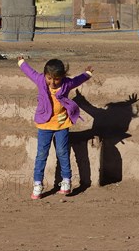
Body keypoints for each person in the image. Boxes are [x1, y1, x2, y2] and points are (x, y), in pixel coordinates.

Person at [17, 56, 94, 199]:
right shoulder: (40, 80)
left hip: (62, 124)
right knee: (41, 154)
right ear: (45, 75)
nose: (52, 82)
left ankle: (66, 181)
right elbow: (30, 72)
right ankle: (38, 184)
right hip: (44, 124)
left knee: (62, 152)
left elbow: (77, 80)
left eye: (56, 79)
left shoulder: (66, 84)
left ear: (62, 77)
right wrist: (21, 62)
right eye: (49, 78)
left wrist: (87, 74)